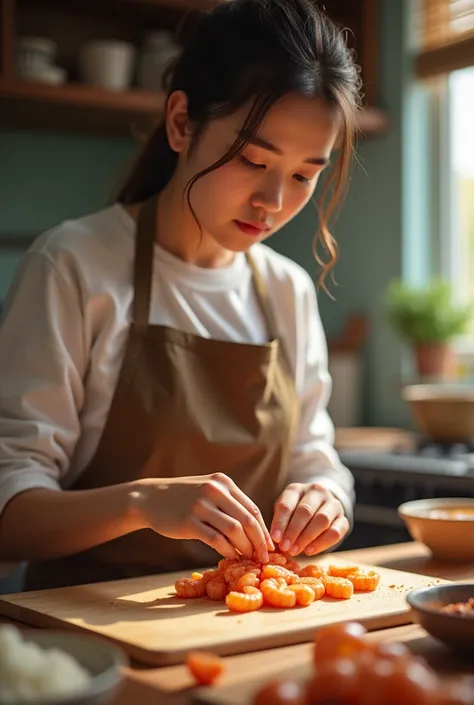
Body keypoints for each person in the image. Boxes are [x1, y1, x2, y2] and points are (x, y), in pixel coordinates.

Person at [0, 0, 360, 590]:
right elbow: (9, 514)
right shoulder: (73, 265)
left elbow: (317, 461)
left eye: (302, 176)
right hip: (86, 636)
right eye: (252, 159)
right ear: (180, 123)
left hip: (238, 631)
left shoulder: (287, 291)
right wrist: (141, 502)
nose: (273, 202)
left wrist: (324, 499)